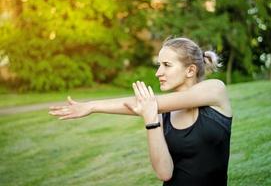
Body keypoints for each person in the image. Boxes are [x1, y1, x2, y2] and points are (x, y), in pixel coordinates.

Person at [49, 37, 232, 186]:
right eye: (158, 65)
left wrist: (92, 105)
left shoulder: (215, 90)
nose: (158, 72)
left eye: (166, 65)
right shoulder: (160, 112)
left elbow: (151, 103)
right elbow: (164, 173)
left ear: (190, 70)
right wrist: (151, 120)